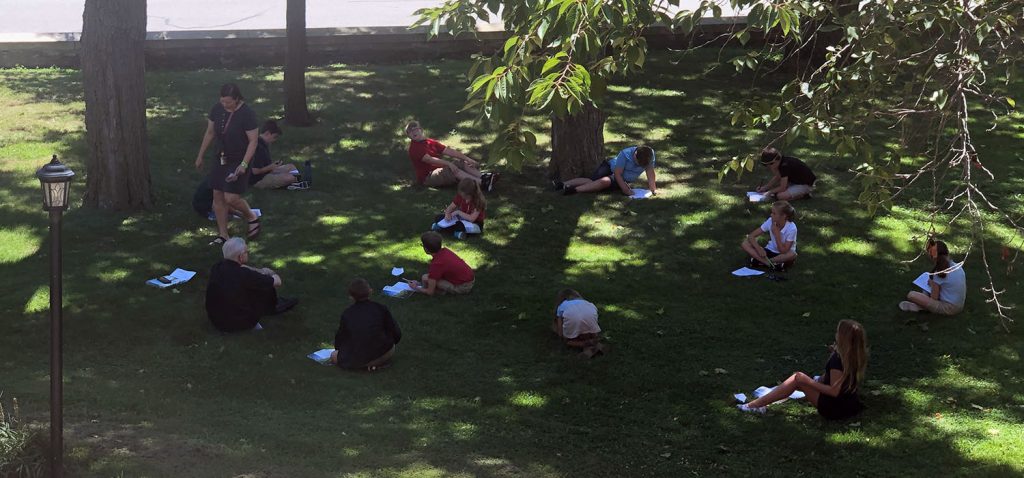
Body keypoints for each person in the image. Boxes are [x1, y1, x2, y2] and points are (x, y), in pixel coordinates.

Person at [738, 320, 867, 420]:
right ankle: (761, 403)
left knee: (797, 378)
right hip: (849, 406)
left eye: (838, 333)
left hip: (834, 409)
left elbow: (834, 391)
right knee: (801, 379)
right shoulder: (854, 356)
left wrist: (807, 381)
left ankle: (753, 406)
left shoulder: (838, 360)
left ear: (842, 338)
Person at [195, 83, 262, 245]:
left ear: (237, 99)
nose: (225, 105)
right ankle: (223, 234)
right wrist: (200, 155)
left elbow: (253, 141)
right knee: (218, 195)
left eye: (229, 102)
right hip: (220, 157)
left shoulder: (247, 114)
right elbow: (210, 132)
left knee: (231, 197)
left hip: (239, 158)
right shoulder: (217, 109)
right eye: (223, 101)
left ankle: (251, 216)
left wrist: (244, 164)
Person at [205, 238, 298, 333]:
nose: (248, 253)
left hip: (217, 320)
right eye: (246, 252)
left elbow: (244, 268)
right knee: (266, 288)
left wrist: (260, 271)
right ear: (240, 257)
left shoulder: (217, 267)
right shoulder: (245, 275)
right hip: (237, 323)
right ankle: (270, 308)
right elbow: (277, 282)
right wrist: (271, 273)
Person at [330, 278, 402, 371]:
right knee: (391, 347)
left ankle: (363, 366)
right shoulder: (380, 308)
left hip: (356, 358)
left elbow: (340, 339)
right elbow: (396, 333)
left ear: (351, 297)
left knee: (333, 355)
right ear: (370, 291)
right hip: (380, 353)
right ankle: (374, 364)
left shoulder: (347, 314)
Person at [405, 121, 498, 191]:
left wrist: (468, 159)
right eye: (410, 131)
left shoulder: (430, 142)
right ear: (408, 135)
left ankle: (484, 177)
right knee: (453, 169)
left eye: (416, 129)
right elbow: (429, 160)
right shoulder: (414, 148)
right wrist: (449, 164)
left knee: (460, 163)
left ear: (421, 130)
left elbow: (449, 151)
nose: (414, 132)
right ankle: (483, 184)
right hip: (428, 177)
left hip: (439, 171)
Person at [555, 145, 657, 196]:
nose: (638, 166)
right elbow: (617, 173)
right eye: (637, 163)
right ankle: (563, 184)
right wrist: (625, 190)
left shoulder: (649, 156)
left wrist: (653, 189)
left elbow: (650, 172)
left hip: (620, 178)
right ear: (635, 155)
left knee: (605, 182)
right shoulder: (625, 154)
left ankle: (573, 190)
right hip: (611, 167)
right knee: (591, 180)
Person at [899, 239, 967, 315]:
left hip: (949, 308)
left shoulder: (939, 273)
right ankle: (921, 306)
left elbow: (934, 299)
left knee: (911, 295)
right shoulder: (958, 266)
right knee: (927, 285)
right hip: (959, 305)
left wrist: (932, 284)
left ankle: (920, 308)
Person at [407, 231, 475, 295]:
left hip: (463, 287)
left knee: (427, 279)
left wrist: (415, 288)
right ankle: (435, 288)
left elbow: (430, 292)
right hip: (469, 279)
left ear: (426, 249)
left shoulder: (437, 264)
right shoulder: (445, 251)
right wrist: (419, 284)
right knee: (425, 278)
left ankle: (442, 291)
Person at [742, 200, 797, 271]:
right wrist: (759, 249)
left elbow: (783, 251)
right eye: (771, 212)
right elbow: (751, 236)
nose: (771, 215)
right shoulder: (770, 221)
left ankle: (760, 262)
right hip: (770, 250)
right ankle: (769, 263)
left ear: (784, 216)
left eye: (774, 213)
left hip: (783, 254)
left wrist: (777, 234)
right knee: (745, 243)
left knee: (793, 254)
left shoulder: (792, 228)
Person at [552, 289, 608, 358]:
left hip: (574, 319)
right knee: (587, 330)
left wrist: (562, 335)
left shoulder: (562, 306)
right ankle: (594, 342)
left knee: (567, 340)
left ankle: (583, 344)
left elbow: (560, 327)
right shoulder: (586, 302)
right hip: (591, 316)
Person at [249, 120, 301, 190]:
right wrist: (271, 167)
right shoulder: (258, 147)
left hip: (267, 172)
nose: (275, 140)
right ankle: (291, 183)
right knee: (291, 177)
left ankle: (294, 182)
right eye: (274, 137)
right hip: (258, 179)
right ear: (267, 133)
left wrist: (273, 166)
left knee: (291, 167)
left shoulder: (264, 144)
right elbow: (255, 171)